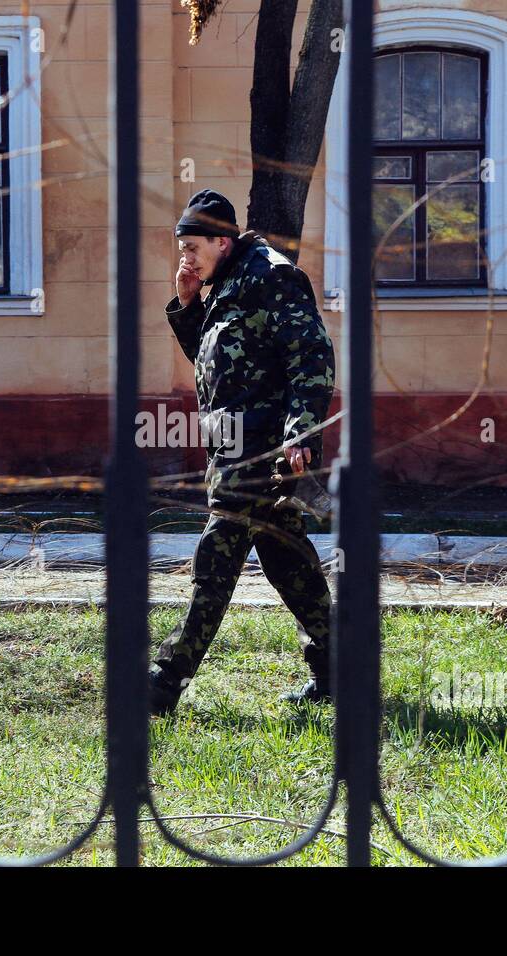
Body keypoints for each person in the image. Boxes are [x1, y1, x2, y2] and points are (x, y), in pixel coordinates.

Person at [149, 188, 336, 716]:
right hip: (231, 444)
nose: (185, 257)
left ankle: (165, 679)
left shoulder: (272, 277)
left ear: (223, 241)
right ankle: (338, 670)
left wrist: (301, 432)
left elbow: (311, 355)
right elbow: (218, 364)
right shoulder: (225, 285)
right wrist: (187, 307)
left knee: (219, 551)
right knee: (288, 560)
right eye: (181, 247)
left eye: (193, 246)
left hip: (262, 449)